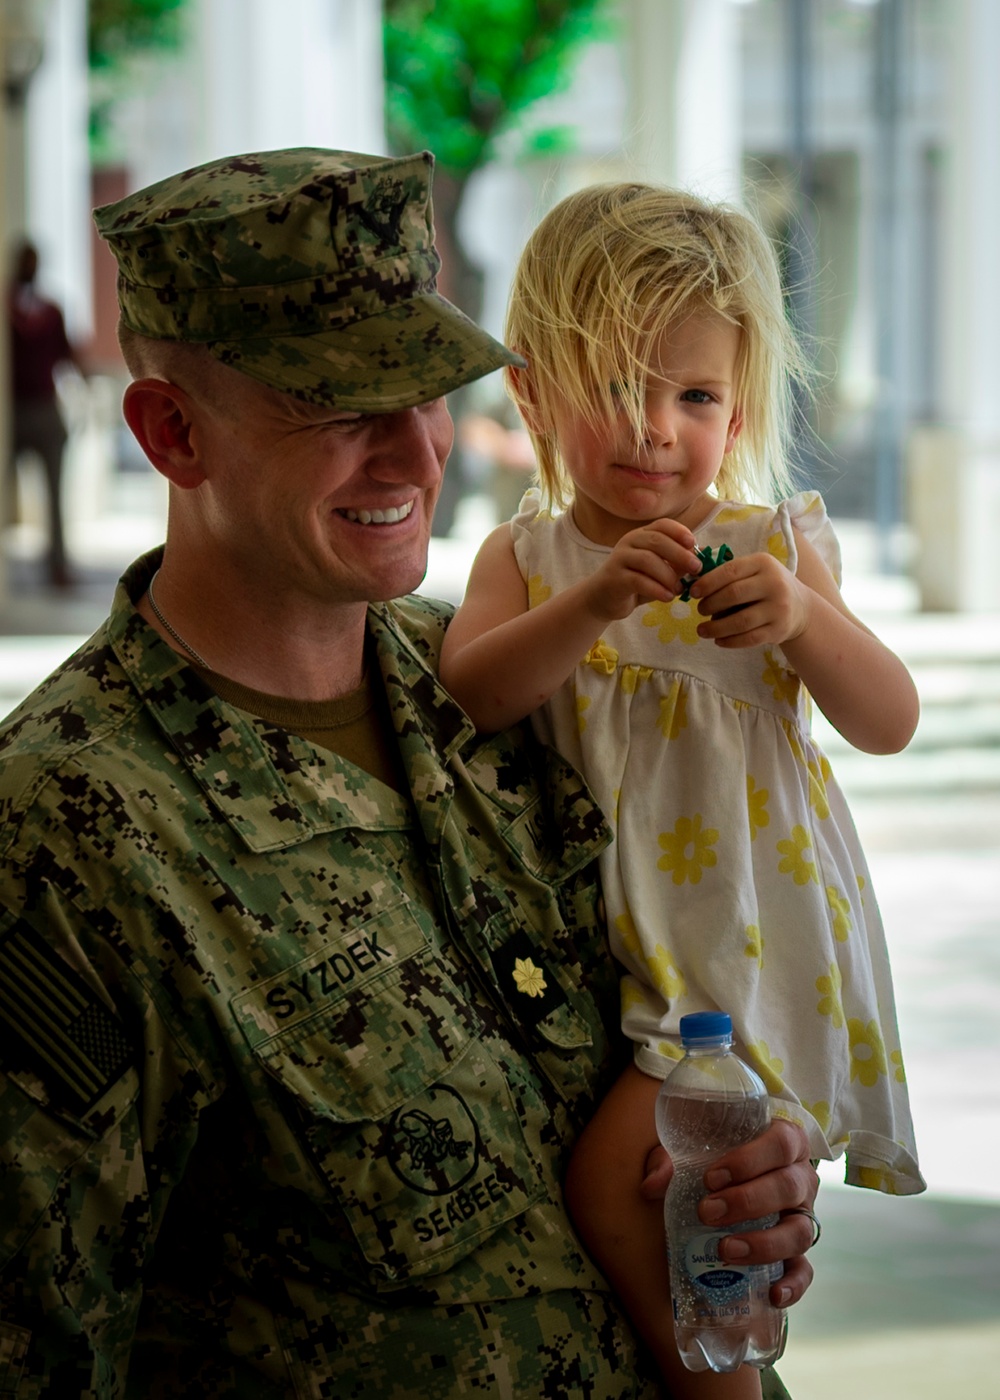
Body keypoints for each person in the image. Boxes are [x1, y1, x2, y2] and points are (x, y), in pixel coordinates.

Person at [0, 150, 821, 1399]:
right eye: (337, 403)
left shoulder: (513, 674)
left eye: (428, 391)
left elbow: (686, 997)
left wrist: (742, 1166)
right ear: (174, 432)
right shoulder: (67, 831)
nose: (409, 454)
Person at [439, 182, 924, 1396]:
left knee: (634, 1183)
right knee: (700, 1215)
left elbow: (887, 717)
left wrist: (804, 618)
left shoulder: (773, 540)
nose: (653, 427)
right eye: (611, 388)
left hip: (737, 943)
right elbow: (476, 692)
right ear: (531, 393)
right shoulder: (527, 558)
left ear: (739, 405)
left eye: (693, 395)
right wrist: (594, 599)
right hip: (621, 942)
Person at [7, 239, 87, 589]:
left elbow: (68, 356)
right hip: (10, 413)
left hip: (44, 409)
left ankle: (57, 566)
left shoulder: (51, 311)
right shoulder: (6, 309)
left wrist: (84, 395)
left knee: (55, 493)